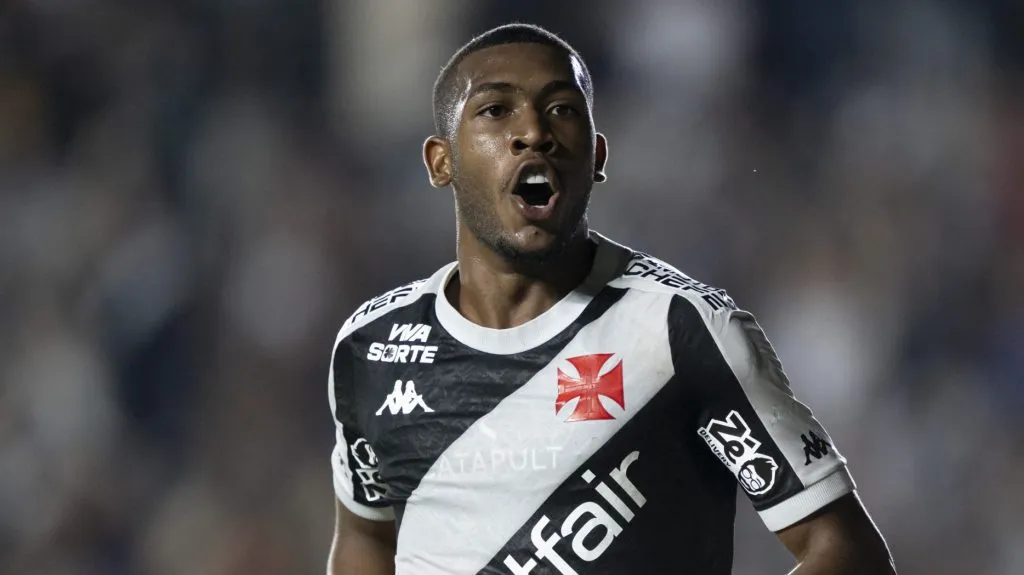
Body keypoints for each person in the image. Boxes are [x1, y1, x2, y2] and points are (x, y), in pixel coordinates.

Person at [326, 23, 897, 575]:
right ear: (440, 162)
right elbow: (367, 539)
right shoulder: (370, 350)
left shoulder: (682, 331)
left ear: (597, 157)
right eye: (496, 109)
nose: (534, 132)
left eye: (562, 109)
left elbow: (845, 550)